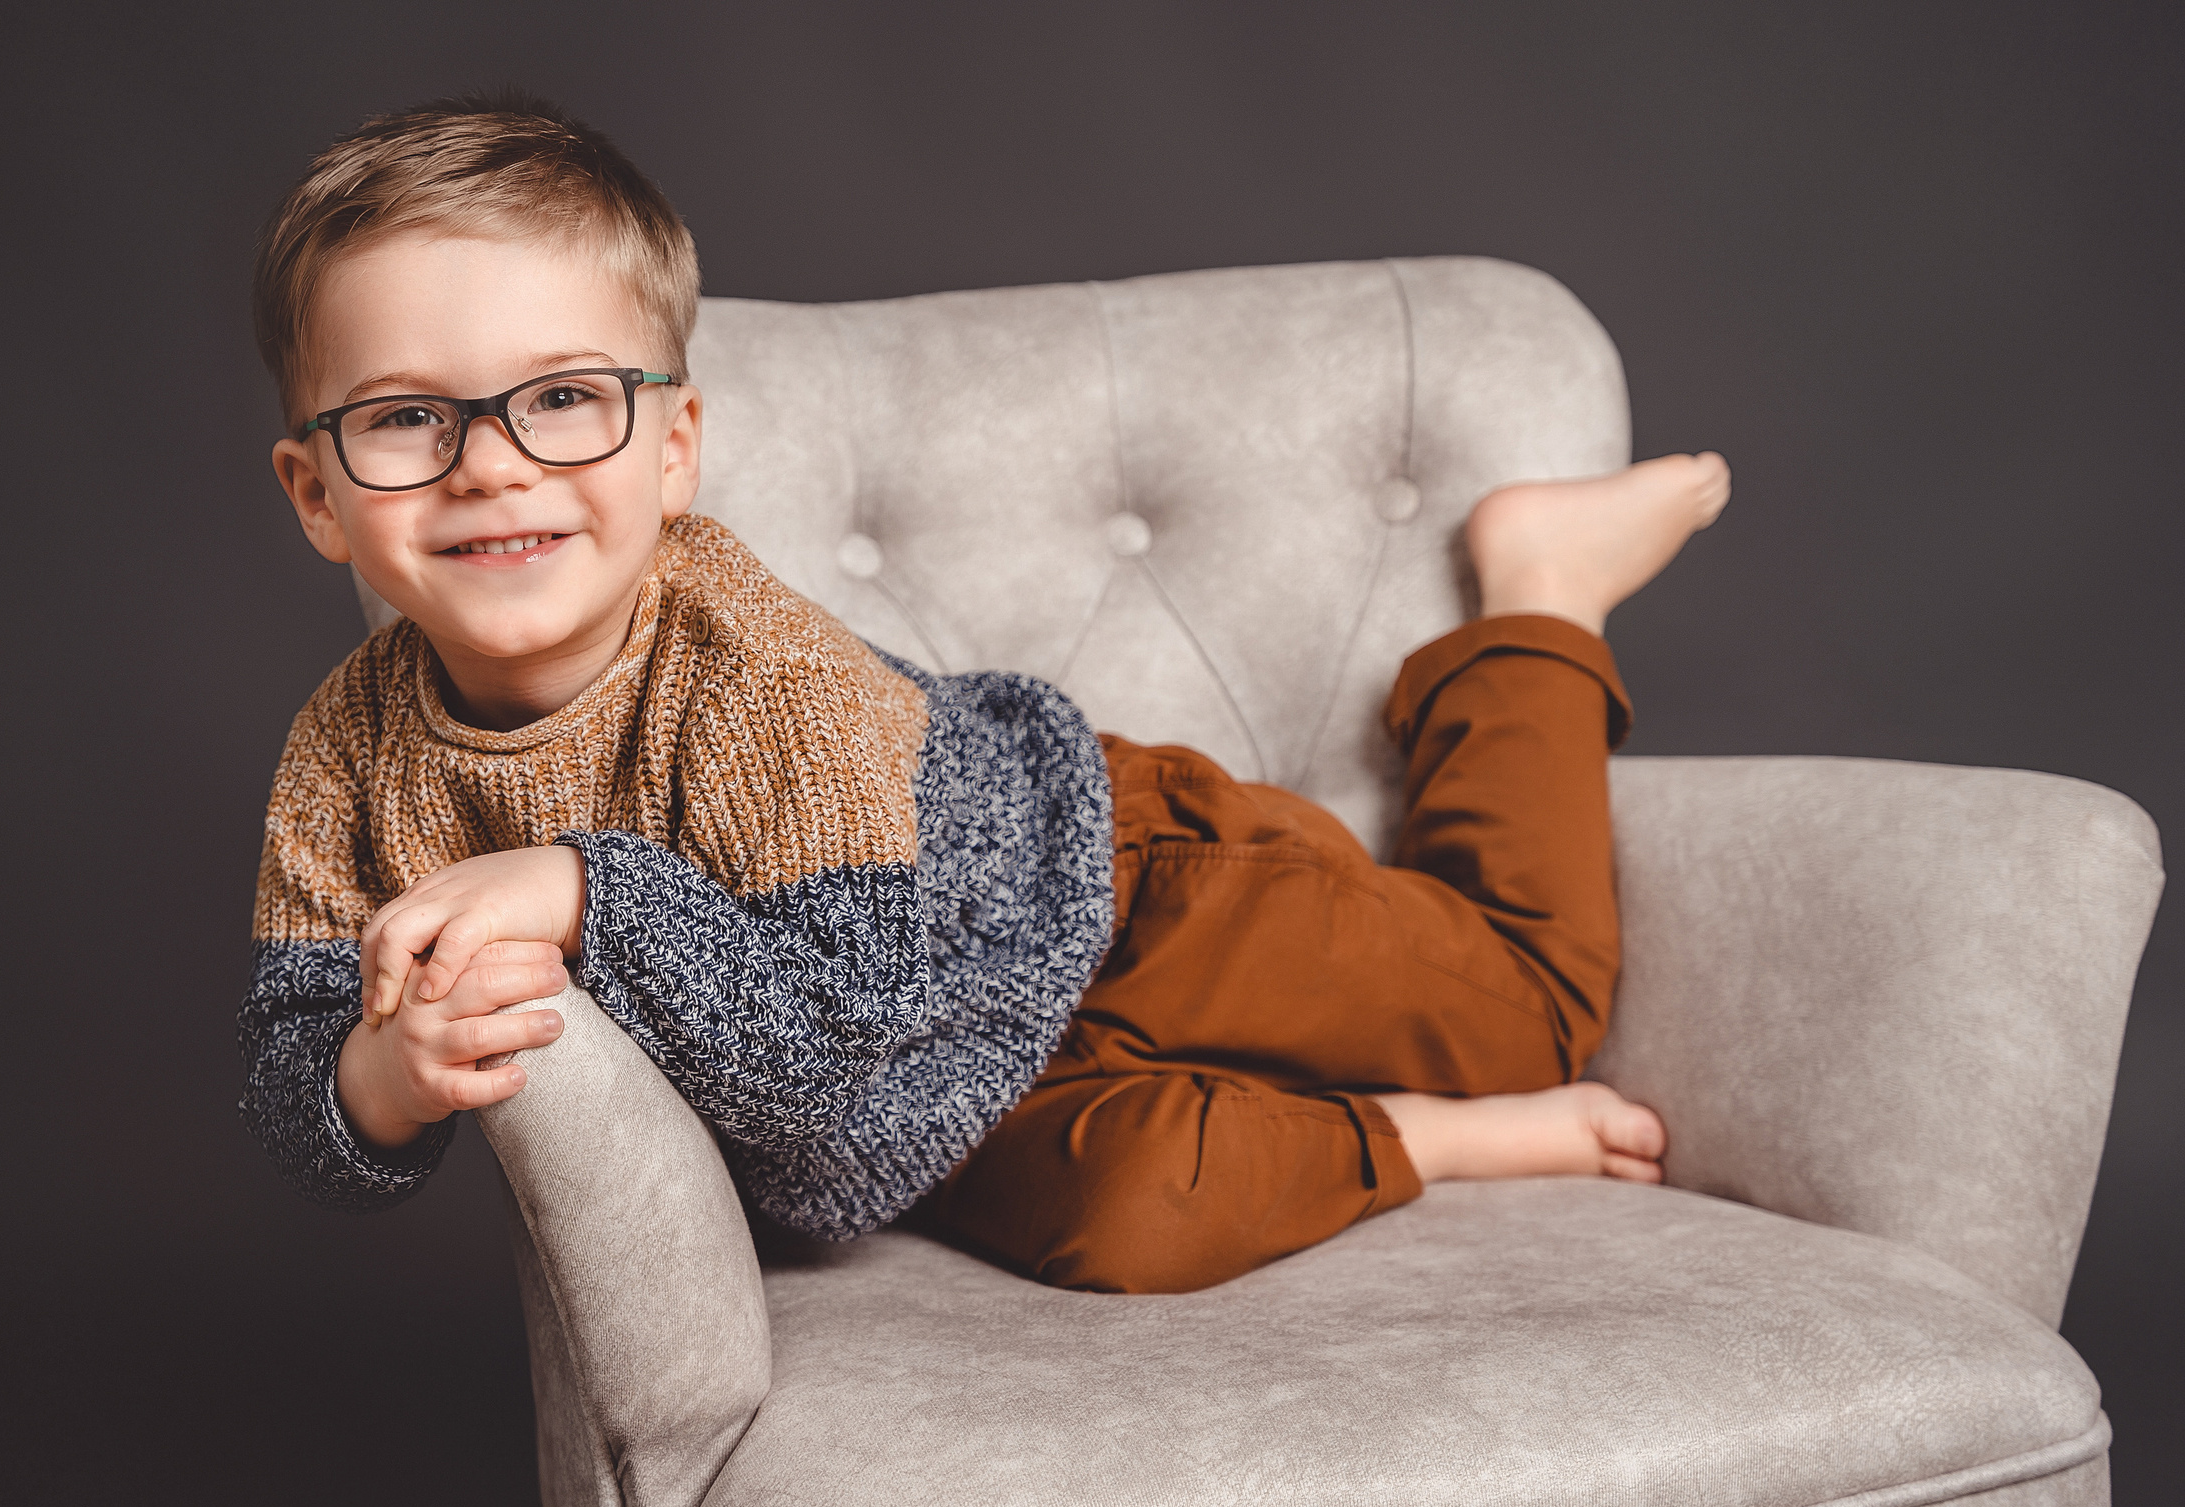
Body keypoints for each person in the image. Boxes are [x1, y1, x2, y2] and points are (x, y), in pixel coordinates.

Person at [239, 94, 1730, 1295]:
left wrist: (579, 888)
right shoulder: (346, 753)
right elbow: (287, 1089)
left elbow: (833, 1029)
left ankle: (1540, 593)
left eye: (563, 398)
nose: (491, 462)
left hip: (1116, 883)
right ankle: (1429, 1142)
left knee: (1523, 1013)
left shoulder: (751, 663)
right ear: (317, 495)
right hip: (939, 1097)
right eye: (407, 419)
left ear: (675, 446)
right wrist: (383, 1073)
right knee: (1139, 1223)